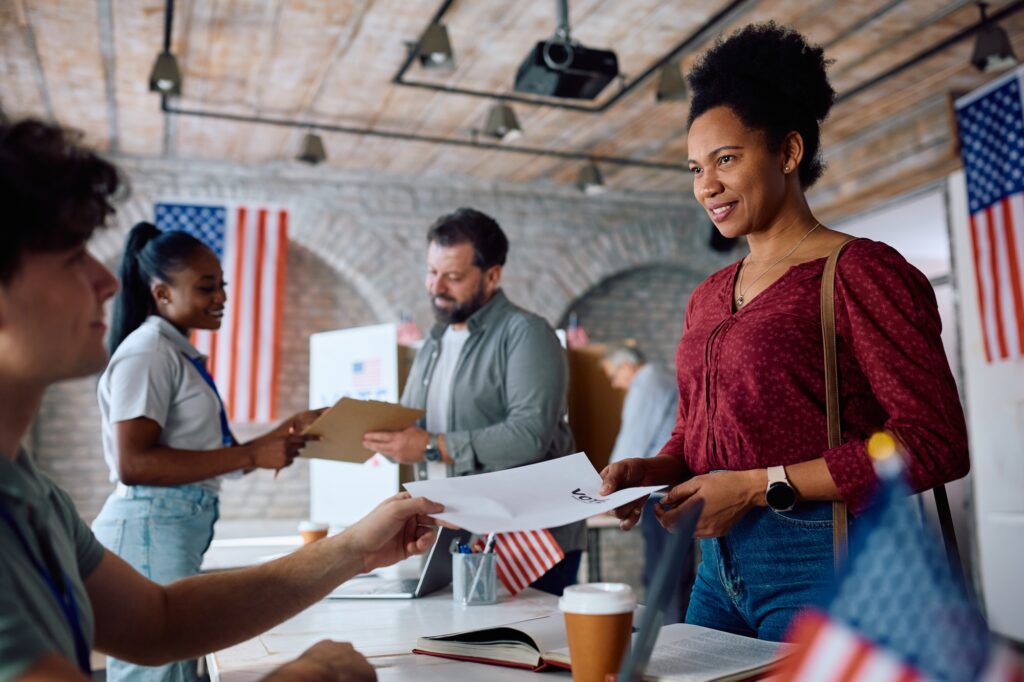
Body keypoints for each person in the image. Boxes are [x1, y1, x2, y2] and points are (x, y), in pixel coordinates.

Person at [0, 115, 443, 682]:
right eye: (71, 257)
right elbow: (136, 464)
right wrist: (308, 677)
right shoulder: (147, 351)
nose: (106, 280)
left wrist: (356, 547)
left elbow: (161, 621)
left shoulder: (32, 492)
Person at [598, 23, 969, 642]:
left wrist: (756, 486)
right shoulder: (708, 296)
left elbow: (932, 442)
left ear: (789, 153)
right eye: (695, 167)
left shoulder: (858, 272)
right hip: (715, 568)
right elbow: (697, 436)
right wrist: (649, 469)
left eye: (727, 159)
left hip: (824, 559)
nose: (706, 185)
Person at [91, 221, 325, 681]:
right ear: (161, 293)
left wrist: (275, 436)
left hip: (171, 523)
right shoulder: (149, 352)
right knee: (160, 672)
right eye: (206, 287)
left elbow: (201, 456)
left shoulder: (176, 354)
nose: (221, 298)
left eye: (222, 286)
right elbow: (134, 463)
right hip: (151, 524)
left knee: (176, 665)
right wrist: (252, 455)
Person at [362, 208, 586, 595]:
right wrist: (391, 440)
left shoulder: (526, 333)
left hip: (528, 540)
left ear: (492, 275)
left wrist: (431, 447)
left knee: (529, 651)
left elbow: (528, 435)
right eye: (432, 272)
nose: (436, 287)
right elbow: (413, 430)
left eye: (453, 277)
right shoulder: (432, 342)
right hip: (454, 533)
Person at [600, 345, 689, 622]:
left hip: (658, 492)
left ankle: (665, 635)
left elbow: (632, 444)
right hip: (669, 488)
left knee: (662, 572)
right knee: (674, 569)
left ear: (627, 367)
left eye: (614, 376)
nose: (615, 383)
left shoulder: (645, 384)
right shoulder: (660, 378)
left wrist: (605, 490)